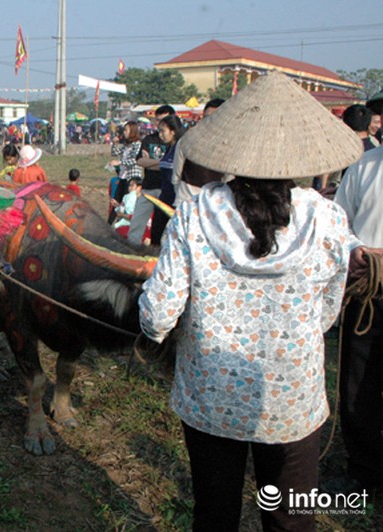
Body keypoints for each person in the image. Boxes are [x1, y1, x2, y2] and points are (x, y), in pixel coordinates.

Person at [138, 71, 363, 531]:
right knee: (289, 519)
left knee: (215, 512)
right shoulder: (328, 218)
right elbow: (327, 312)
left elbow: (158, 313)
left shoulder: (195, 214)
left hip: (209, 394)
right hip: (291, 398)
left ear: (230, 149)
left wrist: (156, 332)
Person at [325, 144, 383, 495]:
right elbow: (339, 221)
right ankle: (363, 469)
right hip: (368, 291)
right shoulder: (365, 164)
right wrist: (354, 249)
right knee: (358, 384)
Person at [128, 105, 175, 246]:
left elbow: (174, 164)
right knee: (137, 221)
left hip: (166, 189)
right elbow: (140, 161)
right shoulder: (149, 139)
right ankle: (132, 248)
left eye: (163, 120)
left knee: (164, 224)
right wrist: (163, 163)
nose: (159, 124)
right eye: (157, 120)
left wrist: (152, 162)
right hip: (149, 187)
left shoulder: (175, 143)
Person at [150, 114, 186, 244]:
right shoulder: (169, 148)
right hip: (164, 198)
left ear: (173, 131)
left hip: (175, 201)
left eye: (162, 131)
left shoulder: (181, 148)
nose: (160, 135)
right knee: (156, 237)